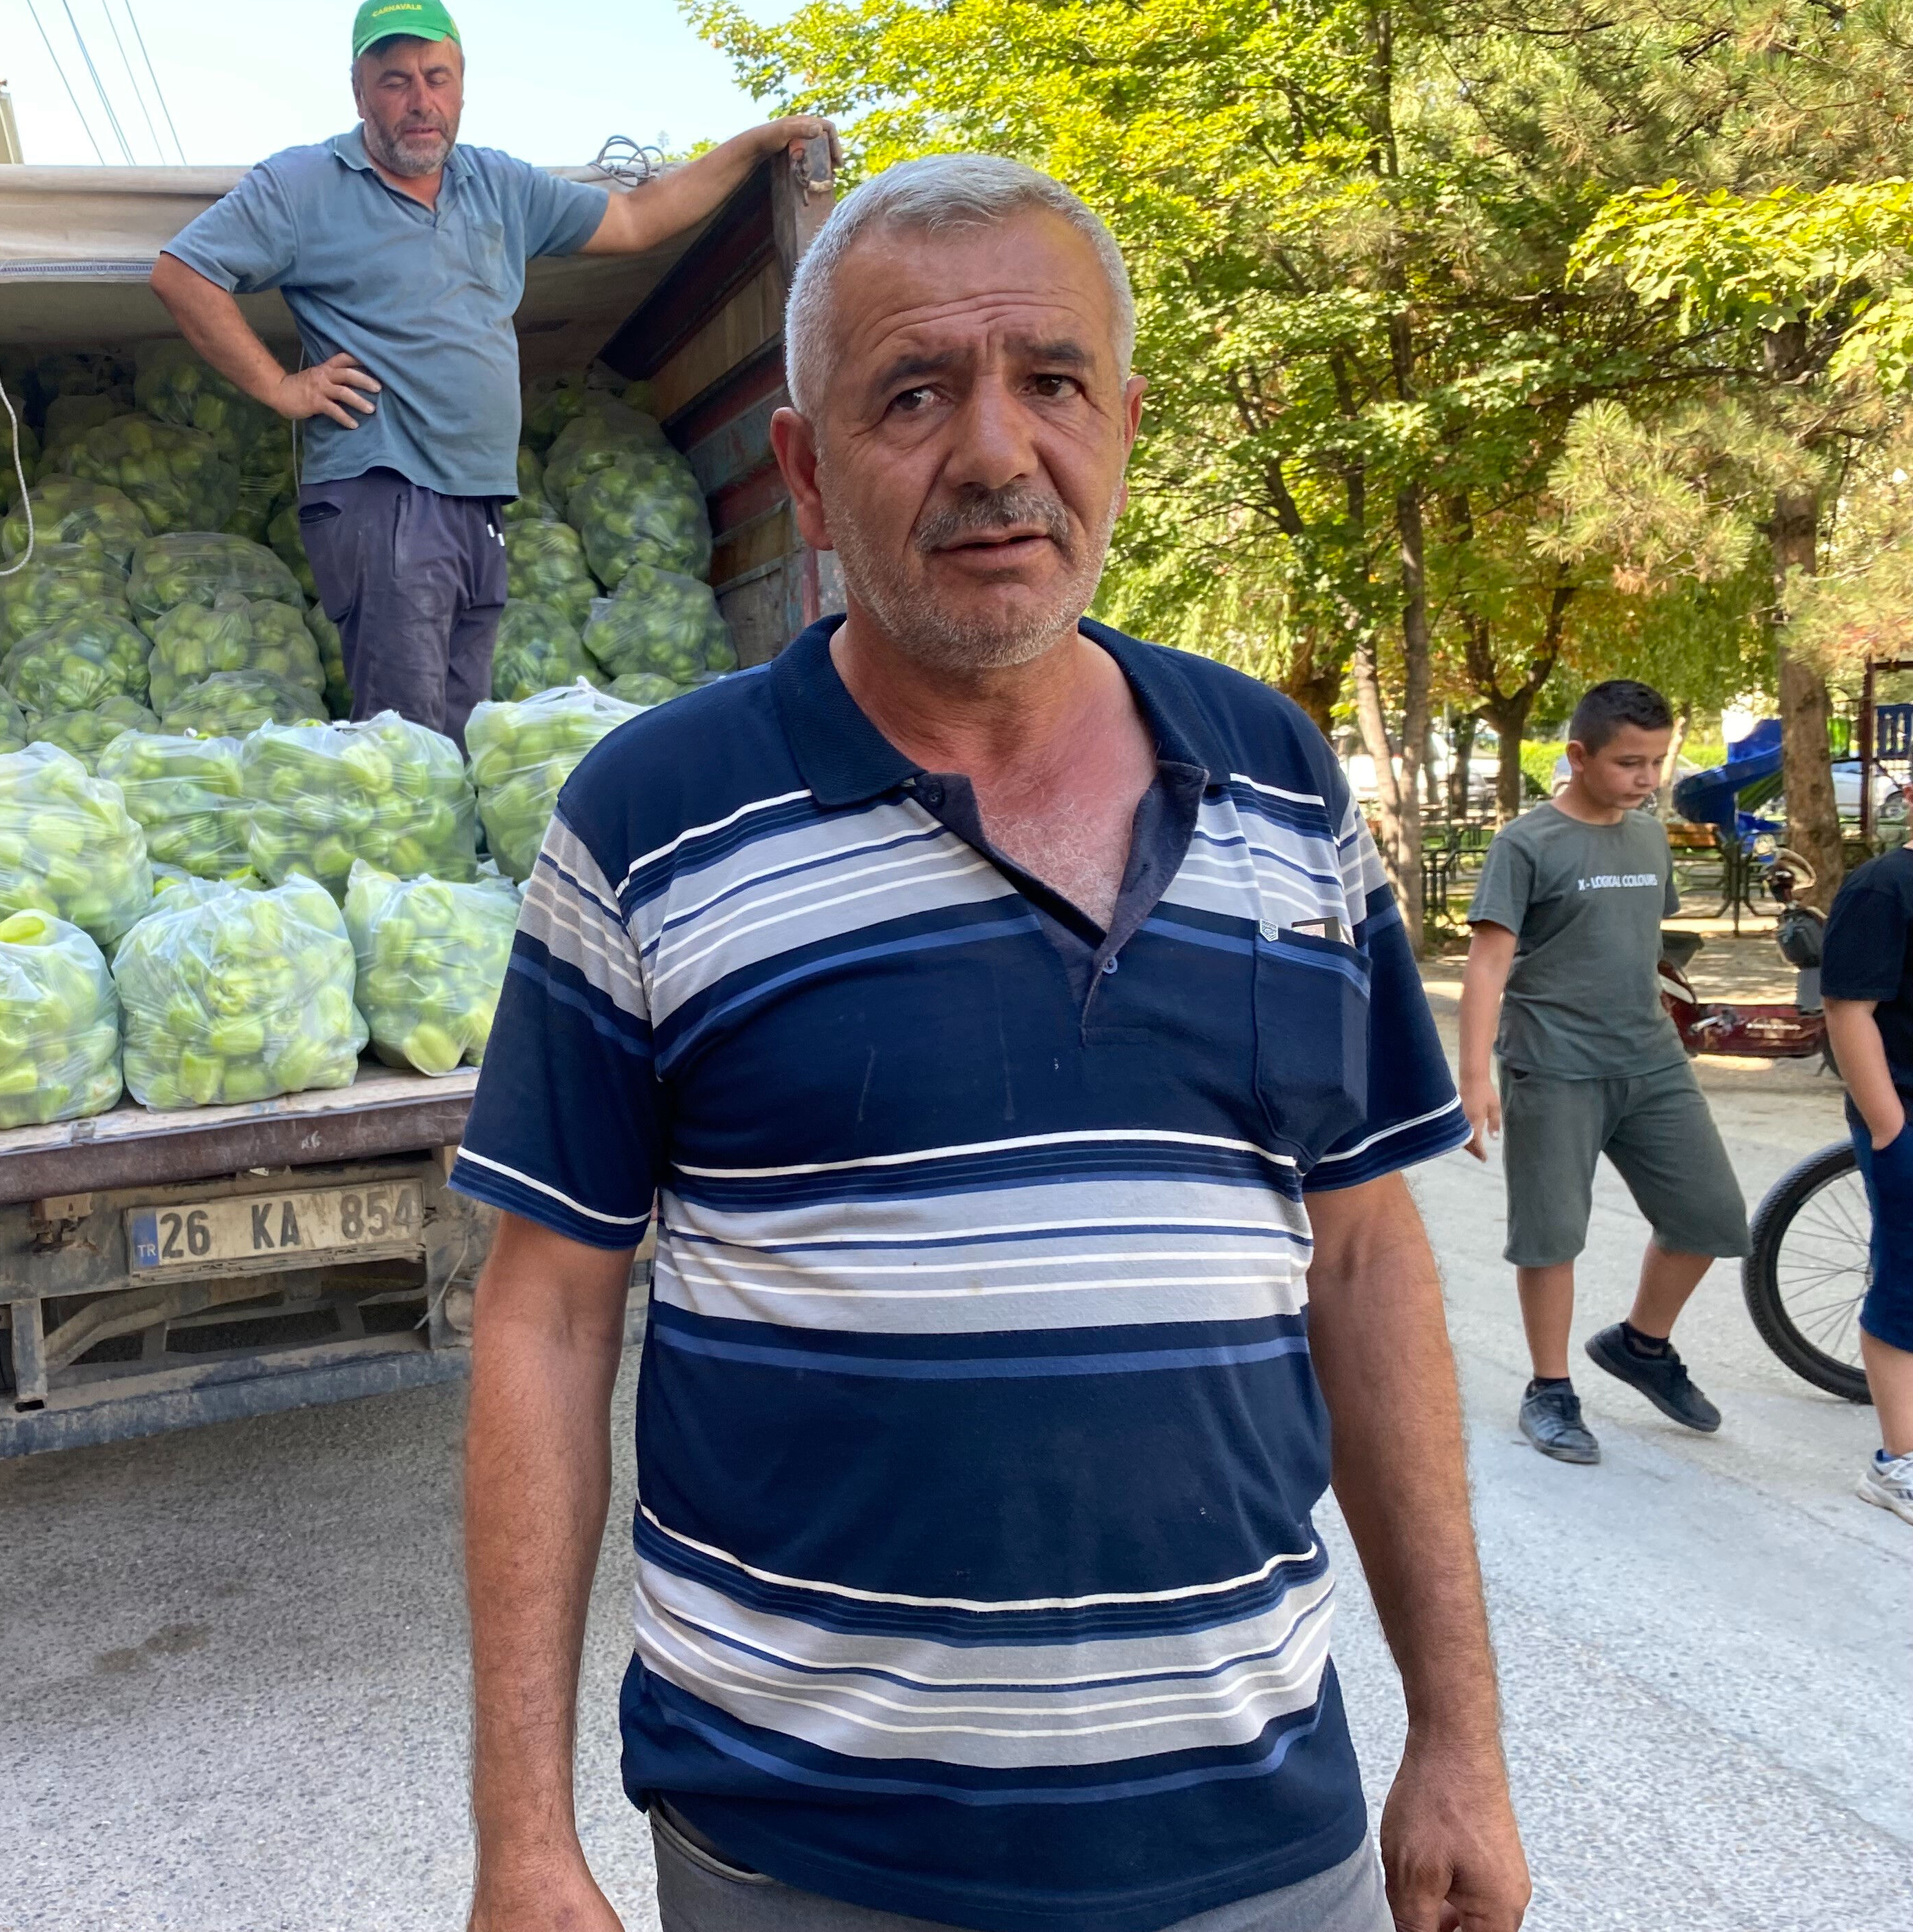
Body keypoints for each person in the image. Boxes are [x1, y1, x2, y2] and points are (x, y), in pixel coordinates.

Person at [453, 155, 1528, 1932]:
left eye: (1052, 380)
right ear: (803, 469)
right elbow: (548, 1314)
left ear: (1124, 420)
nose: (994, 452)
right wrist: (520, 1835)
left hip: (1260, 1832)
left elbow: (1364, 1268)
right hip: (805, 1858)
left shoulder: (1282, 782)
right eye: (912, 395)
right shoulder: (651, 817)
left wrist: (1462, 1740)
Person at [150, 0, 836, 741]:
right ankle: (402, 857)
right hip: (384, 492)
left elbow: (639, 219)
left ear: (462, 84)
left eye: (436, 78)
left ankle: (437, 859)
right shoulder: (304, 184)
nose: (419, 100)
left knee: (455, 723)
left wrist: (752, 144)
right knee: (403, 736)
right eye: (395, 80)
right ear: (358, 91)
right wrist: (282, 386)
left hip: (478, 499)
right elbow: (185, 273)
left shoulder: (496, 184)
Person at [1459, 681, 1750, 1466]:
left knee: (1714, 1218)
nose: (1647, 778)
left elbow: (1642, 941)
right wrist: (1476, 1076)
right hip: (1553, 1064)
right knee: (1551, 1235)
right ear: (1579, 756)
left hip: (1650, 1059)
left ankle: (1642, 1347)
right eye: (1629, 763)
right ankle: (1549, 1390)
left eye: (1656, 762)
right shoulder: (1527, 844)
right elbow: (1488, 965)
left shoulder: (1648, 838)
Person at [1816, 838, 1913, 1522]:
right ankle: (1896, 1462)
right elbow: (1849, 1012)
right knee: (1906, 1284)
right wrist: (1889, 1128)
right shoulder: (1883, 888)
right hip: (1906, 1113)